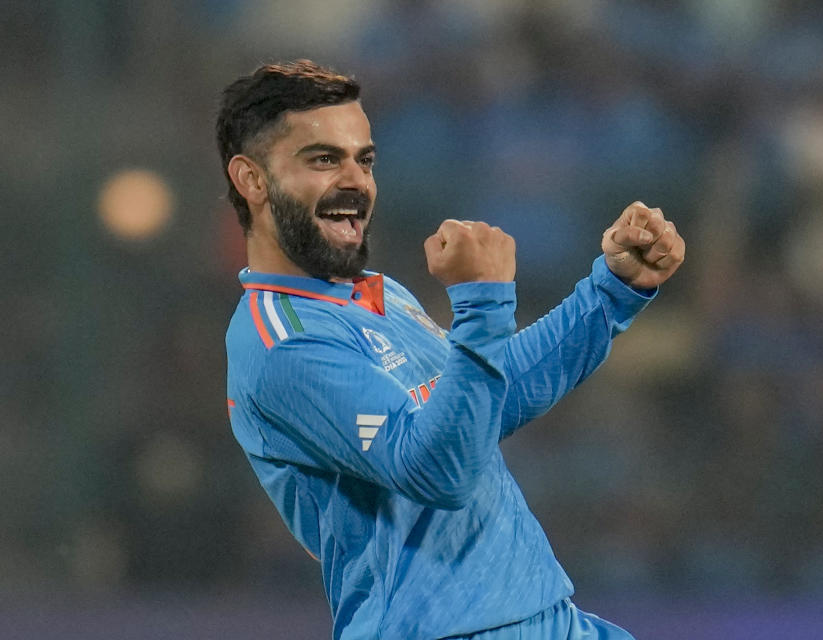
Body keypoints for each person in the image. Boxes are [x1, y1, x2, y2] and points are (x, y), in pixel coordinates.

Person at [218, 60, 685, 640]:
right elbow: (439, 471)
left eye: (364, 159)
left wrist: (611, 293)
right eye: (322, 159)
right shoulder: (282, 342)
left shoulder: (377, 294)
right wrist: (483, 301)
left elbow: (487, 399)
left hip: (546, 617)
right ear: (252, 180)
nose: (356, 181)